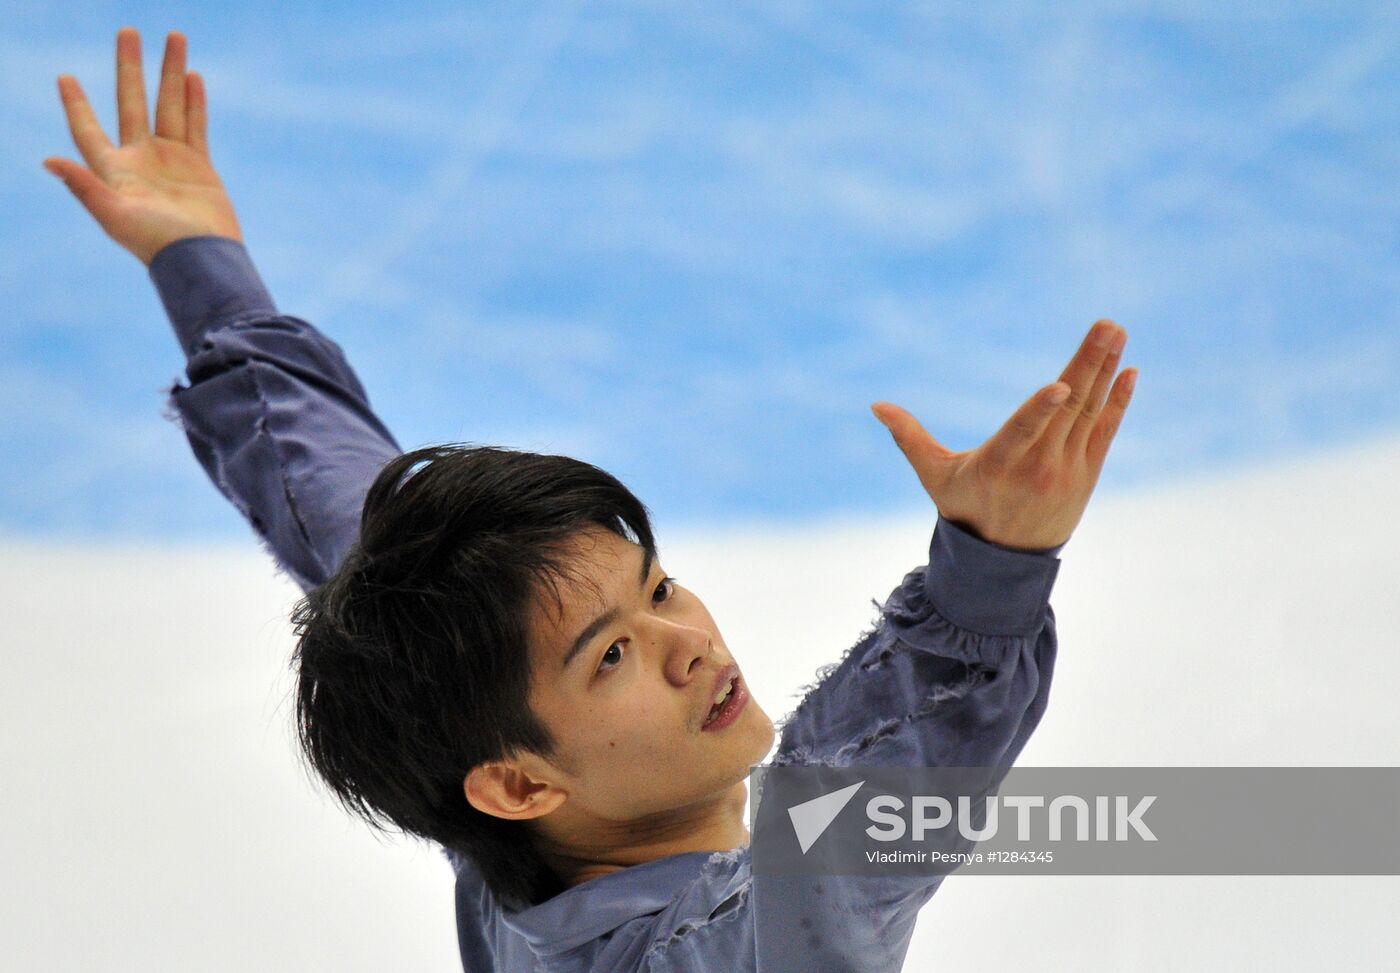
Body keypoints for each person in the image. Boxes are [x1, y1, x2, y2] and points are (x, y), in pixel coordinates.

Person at [44, 27, 1138, 972]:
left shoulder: (498, 782)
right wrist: (986, 571)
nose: (688, 643)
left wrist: (196, 258)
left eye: (656, 589)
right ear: (516, 784)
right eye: (609, 655)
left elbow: (332, 499)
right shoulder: (696, 951)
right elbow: (825, 835)